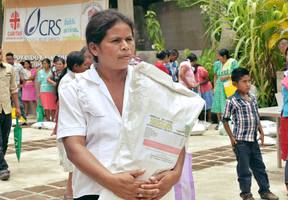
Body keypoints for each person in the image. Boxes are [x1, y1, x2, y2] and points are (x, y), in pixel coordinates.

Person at [57, 10, 184, 200]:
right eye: (116, 41)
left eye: (129, 39)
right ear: (94, 48)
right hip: (96, 190)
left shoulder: (152, 82)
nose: (126, 47)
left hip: (150, 189)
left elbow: (176, 132)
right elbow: (74, 147)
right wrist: (112, 181)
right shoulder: (75, 88)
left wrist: (175, 174)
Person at [222, 68, 279, 200]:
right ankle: (246, 194)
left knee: (259, 167)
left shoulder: (252, 98)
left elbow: (256, 116)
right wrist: (232, 138)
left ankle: (265, 191)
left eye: (249, 81)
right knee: (244, 170)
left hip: (253, 140)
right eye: (244, 81)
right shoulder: (231, 101)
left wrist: (261, 131)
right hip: (240, 141)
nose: (248, 84)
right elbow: (225, 120)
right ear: (235, 84)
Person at [55, 51, 88, 200]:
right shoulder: (68, 83)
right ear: (76, 66)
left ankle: (70, 192)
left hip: (74, 130)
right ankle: (69, 193)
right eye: (86, 66)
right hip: (71, 131)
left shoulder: (76, 79)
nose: (89, 68)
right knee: (74, 167)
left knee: (76, 168)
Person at [0, 47, 21, 181]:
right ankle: (3, 167)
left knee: (5, 140)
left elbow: (13, 90)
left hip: (6, 110)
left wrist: (17, 108)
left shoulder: (9, 69)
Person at [211, 49, 239, 130]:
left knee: (230, 102)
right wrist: (214, 87)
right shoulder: (217, 64)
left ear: (225, 56)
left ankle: (231, 122)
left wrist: (227, 76)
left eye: (219, 56)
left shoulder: (232, 62)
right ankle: (220, 122)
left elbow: (236, 73)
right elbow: (215, 76)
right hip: (219, 86)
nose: (218, 58)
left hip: (230, 85)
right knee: (218, 103)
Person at [5, 52, 27, 123]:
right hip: (6, 89)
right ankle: (9, 121)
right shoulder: (4, 67)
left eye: (10, 59)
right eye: (7, 59)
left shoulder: (18, 66)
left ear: (13, 59)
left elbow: (24, 76)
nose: (8, 61)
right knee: (7, 106)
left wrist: (22, 85)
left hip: (16, 89)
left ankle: (23, 119)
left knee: (19, 104)